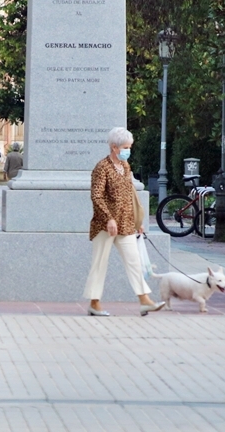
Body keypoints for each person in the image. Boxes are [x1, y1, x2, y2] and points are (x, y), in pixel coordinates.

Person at [84, 127, 166, 317]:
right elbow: (96, 196)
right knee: (99, 263)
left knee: (134, 261)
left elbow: (130, 195)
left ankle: (144, 300)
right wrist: (109, 218)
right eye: (126, 147)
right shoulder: (101, 167)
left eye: (129, 147)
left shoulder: (125, 166)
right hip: (105, 225)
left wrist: (137, 220)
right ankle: (94, 303)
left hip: (126, 223)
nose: (128, 150)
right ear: (114, 147)